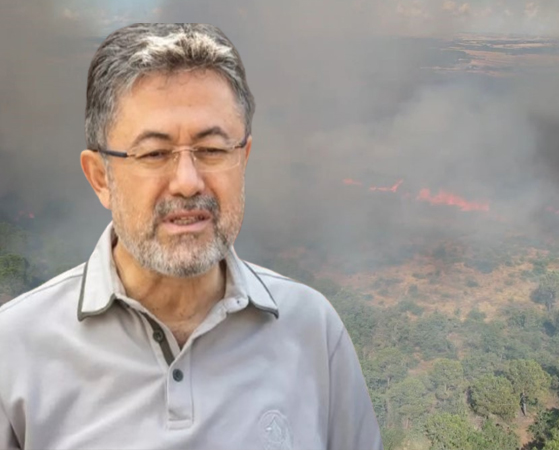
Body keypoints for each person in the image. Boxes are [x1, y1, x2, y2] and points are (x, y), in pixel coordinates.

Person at [0, 23, 382, 450]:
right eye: (154, 153)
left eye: (212, 150)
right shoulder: (14, 351)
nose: (187, 182)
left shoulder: (312, 330)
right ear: (100, 177)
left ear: (243, 159)